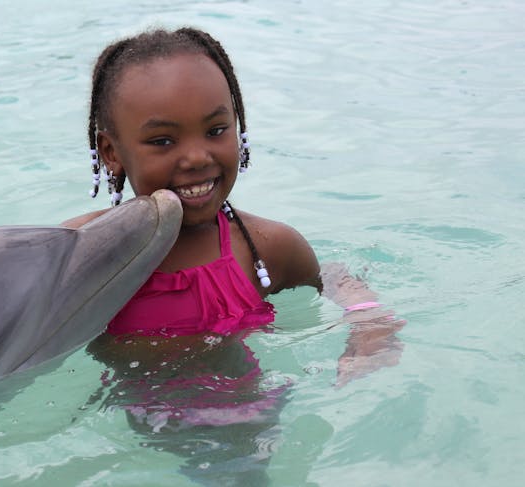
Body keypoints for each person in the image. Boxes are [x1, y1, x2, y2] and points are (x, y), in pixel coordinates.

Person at [63, 27, 403, 484]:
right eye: (163, 141)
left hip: (251, 418)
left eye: (216, 130)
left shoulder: (264, 247)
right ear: (111, 152)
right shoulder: (80, 256)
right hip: (135, 431)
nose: (197, 156)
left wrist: (369, 322)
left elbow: (331, 276)